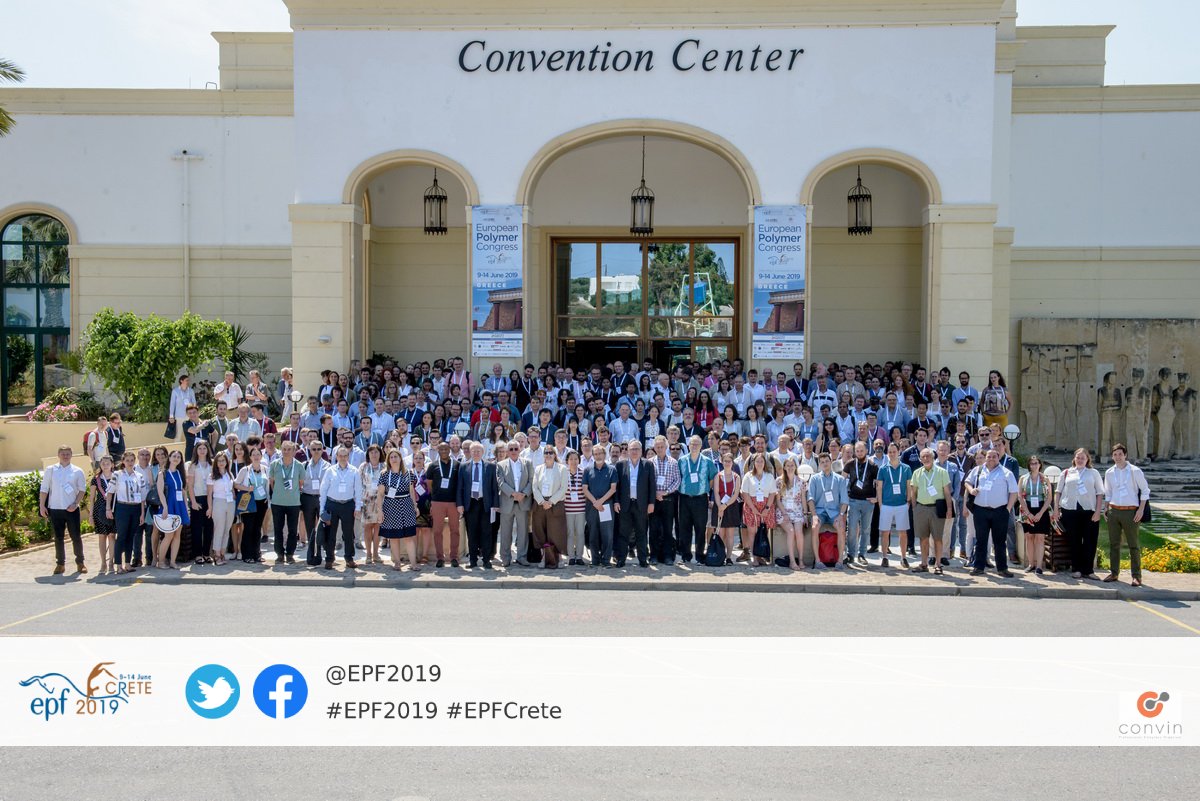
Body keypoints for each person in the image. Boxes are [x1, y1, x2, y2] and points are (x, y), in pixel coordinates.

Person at [964, 449, 1019, 578]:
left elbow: (1014, 492)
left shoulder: (1006, 473)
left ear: (998, 458)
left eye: (994, 456)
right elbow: (967, 482)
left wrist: (1008, 509)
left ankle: (1002, 568)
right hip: (980, 510)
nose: (991, 459)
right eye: (989, 457)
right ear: (986, 458)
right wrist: (971, 490)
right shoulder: (977, 470)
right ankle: (978, 567)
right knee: (981, 540)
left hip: (1000, 510)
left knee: (999, 541)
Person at [1051, 447, 1105, 580]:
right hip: (1070, 511)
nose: (1080, 460)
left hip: (1089, 511)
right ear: (1074, 459)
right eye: (1078, 457)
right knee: (1074, 541)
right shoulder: (1066, 473)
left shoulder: (1093, 473)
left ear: (1087, 459)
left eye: (1083, 458)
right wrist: (1056, 509)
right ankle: (1076, 568)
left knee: (1090, 541)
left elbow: (1099, 493)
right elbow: (1058, 492)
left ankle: (1088, 570)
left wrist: (1098, 511)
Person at [1102, 443, 1150, 587]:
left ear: (1125, 455)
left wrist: (1141, 510)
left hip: (1131, 511)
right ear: (1112, 456)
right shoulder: (1109, 472)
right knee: (1114, 544)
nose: (1118, 457)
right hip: (1114, 510)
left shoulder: (1135, 471)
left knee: (1133, 544)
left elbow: (1145, 491)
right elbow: (1108, 492)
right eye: (1115, 454)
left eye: (1120, 454)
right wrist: (1106, 508)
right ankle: (1114, 572)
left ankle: (1136, 576)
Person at [39, 445, 87, 576]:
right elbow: (44, 489)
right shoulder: (51, 470)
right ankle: (60, 564)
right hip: (55, 508)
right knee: (58, 538)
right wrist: (42, 505)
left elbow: (82, 490)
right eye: (63, 454)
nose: (65, 456)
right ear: (58, 455)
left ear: (71, 455)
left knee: (76, 537)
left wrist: (75, 503)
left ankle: (80, 563)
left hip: (71, 509)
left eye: (68, 453)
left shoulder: (77, 471)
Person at [909, 447, 953, 575]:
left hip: (937, 508)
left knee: (938, 538)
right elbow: (914, 492)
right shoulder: (917, 473)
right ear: (920, 459)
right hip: (921, 508)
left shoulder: (942, 472)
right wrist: (914, 508)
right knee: (923, 538)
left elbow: (947, 492)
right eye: (923, 456)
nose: (926, 458)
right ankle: (924, 563)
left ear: (933, 458)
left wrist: (949, 508)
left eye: (928, 456)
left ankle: (938, 565)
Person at [319, 445, 363, 570]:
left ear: (348, 456)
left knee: (348, 534)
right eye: (340, 456)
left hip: (348, 504)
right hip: (332, 504)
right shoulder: (330, 470)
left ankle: (349, 558)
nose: (343, 458)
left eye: (345, 455)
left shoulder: (354, 471)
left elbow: (358, 490)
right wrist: (322, 508)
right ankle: (329, 559)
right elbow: (323, 490)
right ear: (336, 457)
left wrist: (358, 507)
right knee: (331, 534)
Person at [455, 442, 498, 569]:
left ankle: (486, 560)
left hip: (486, 503)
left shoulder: (490, 466)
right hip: (471, 504)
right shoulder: (464, 466)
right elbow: (460, 487)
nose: (476, 453)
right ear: (469, 452)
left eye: (478, 451)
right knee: (471, 533)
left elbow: (494, 487)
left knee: (486, 532)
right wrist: (460, 504)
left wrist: (495, 504)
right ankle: (472, 560)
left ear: (483, 452)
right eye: (473, 451)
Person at [677, 434, 718, 564]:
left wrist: (704, 488)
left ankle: (700, 555)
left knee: (700, 528)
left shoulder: (707, 461)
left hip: (701, 499)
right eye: (692, 444)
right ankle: (686, 556)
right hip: (684, 499)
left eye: (697, 444)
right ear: (688, 445)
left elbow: (713, 478)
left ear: (701, 446)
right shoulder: (682, 460)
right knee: (685, 528)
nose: (694, 446)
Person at [378, 448, 420, 571]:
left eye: (396, 456)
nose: (394, 459)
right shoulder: (384, 474)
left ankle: (413, 564)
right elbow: (380, 494)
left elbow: (411, 491)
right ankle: (397, 562)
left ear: (400, 458)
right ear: (388, 459)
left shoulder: (408, 473)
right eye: (391, 457)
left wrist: (415, 506)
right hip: (390, 507)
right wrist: (380, 510)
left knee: (409, 536)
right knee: (394, 537)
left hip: (406, 505)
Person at [615, 440, 655, 568]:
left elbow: (652, 485)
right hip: (625, 504)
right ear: (627, 450)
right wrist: (616, 501)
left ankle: (643, 559)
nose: (634, 451)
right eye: (632, 449)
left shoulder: (648, 464)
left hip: (641, 504)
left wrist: (651, 503)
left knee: (641, 532)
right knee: (623, 533)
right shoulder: (620, 465)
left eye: (637, 449)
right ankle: (621, 559)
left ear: (641, 450)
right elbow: (617, 486)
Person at [108, 451, 148, 574]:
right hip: (122, 508)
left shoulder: (139, 476)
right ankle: (118, 564)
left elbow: (142, 497)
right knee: (121, 536)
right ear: (123, 461)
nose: (130, 463)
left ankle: (127, 563)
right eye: (127, 460)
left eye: (132, 460)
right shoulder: (117, 475)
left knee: (131, 536)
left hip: (135, 508)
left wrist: (142, 513)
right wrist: (108, 509)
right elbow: (110, 492)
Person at [807, 452, 849, 569]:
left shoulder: (840, 479)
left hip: (834, 513)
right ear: (819, 465)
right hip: (819, 512)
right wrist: (814, 515)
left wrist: (841, 515)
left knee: (841, 526)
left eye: (827, 461)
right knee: (815, 527)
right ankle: (818, 561)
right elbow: (810, 499)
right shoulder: (814, 479)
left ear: (831, 462)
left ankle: (840, 561)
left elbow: (845, 500)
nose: (825, 464)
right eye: (822, 462)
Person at [875, 442, 912, 569]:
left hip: (902, 504)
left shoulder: (906, 468)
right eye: (889, 452)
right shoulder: (883, 469)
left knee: (903, 532)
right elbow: (879, 488)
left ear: (898, 452)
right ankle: (885, 557)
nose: (891, 454)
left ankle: (903, 557)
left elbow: (909, 485)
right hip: (887, 504)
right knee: (885, 532)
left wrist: (908, 501)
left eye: (894, 452)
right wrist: (880, 504)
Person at [496, 440, 533, 567]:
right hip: (507, 502)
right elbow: (500, 482)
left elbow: (531, 480)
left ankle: (522, 557)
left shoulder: (527, 463)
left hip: (523, 502)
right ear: (507, 451)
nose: (513, 452)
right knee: (505, 533)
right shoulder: (501, 465)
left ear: (520, 450)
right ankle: (505, 558)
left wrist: (524, 493)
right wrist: (513, 493)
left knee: (523, 532)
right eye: (510, 449)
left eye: (515, 449)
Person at [532, 445, 569, 567]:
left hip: (556, 504)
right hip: (540, 504)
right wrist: (542, 501)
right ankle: (544, 558)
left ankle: (558, 558)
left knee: (556, 532)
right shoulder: (538, 469)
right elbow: (534, 487)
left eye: (550, 453)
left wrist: (551, 501)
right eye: (546, 453)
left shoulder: (562, 469)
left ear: (555, 455)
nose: (548, 455)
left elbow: (563, 488)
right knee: (541, 532)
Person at [268, 440, 304, 565]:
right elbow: (271, 482)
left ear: (294, 451)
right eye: (284, 449)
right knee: (278, 529)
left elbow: (301, 483)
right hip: (277, 502)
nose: (286, 452)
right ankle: (279, 554)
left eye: (289, 449)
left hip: (294, 503)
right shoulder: (274, 464)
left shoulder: (299, 465)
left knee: (292, 530)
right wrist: (278, 492)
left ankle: (290, 554)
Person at [582, 444, 618, 567]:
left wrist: (600, 501)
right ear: (593, 455)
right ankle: (595, 560)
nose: (598, 456)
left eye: (600, 453)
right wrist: (595, 502)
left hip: (606, 506)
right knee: (593, 533)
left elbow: (613, 489)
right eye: (595, 454)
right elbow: (585, 489)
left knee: (607, 534)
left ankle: (606, 560)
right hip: (592, 506)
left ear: (604, 454)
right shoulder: (587, 470)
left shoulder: (612, 469)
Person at [427, 441, 461, 568]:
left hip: (453, 502)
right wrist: (435, 495)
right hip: (438, 502)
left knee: (455, 531)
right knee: (437, 531)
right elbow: (429, 483)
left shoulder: (457, 465)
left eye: (446, 449)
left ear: (450, 450)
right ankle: (440, 558)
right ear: (438, 451)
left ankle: (454, 557)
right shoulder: (433, 466)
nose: (444, 452)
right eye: (441, 449)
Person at [233, 446, 270, 564]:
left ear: (261, 456)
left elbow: (267, 485)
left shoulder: (265, 469)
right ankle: (247, 555)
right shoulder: (245, 470)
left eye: (258, 454)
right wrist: (246, 488)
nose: (256, 457)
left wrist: (268, 499)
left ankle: (257, 554)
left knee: (257, 529)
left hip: (261, 502)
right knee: (248, 528)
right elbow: (236, 484)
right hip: (249, 502)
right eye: (253, 454)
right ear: (250, 457)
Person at [1018, 454, 1053, 575]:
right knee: (1029, 537)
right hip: (1026, 509)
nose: (1034, 465)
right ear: (1029, 465)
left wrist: (1040, 513)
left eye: (1036, 463)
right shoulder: (1023, 478)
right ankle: (1031, 564)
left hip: (1041, 509)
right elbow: (1019, 496)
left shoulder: (1045, 479)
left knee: (1040, 538)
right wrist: (1027, 512)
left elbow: (1049, 498)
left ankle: (1039, 566)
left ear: (1040, 465)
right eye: (1032, 463)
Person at [155, 450, 190, 569]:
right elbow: (160, 492)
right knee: (168, 535)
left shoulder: (181, 474)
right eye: (174, 456)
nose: (176, 458)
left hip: (179, 506)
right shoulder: (162, 474)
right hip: (169, 506)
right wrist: (165, 507)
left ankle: (173, 561)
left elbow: (184, 492)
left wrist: (186, 508)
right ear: (169, 458)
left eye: (179, 457)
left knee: (177, 535)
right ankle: (161, 561)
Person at [844, 441, 877, 566]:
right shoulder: (850, 464)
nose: (859, 453)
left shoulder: (873, 465)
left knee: (865, 529)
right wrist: (844, 496)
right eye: (857, 451)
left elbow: (878, 484)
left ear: (867, 451)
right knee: (852, 528)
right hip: (853, 501)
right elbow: (843, 479)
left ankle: (862, 554)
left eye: (861, 451)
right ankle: (850, 554)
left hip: (868, 502)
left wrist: (877, 498)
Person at [649, 436, 680, 565]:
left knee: (668, 528)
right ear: (654, 448)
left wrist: (665, 492)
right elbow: (647, 481)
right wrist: (655, 493)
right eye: (658, 447)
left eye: (662, 446)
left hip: (668, 499)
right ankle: (654, 556)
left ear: (666, 447)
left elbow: (677, 480)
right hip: (654, 499)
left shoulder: (673, 462)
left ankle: (667, 556)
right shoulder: (649, 462)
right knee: (654, 528)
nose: (660, 449)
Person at [299, 442, 331, 566]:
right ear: (309, 450)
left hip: (322, 498)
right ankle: (311, 555)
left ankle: (326, 554)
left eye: (319, 449)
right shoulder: (304, 465)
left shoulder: (328, 466)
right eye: (314, 449)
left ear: (322, 450)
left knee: (325, 526)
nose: (316, 451)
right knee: (310, 527)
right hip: (308, 498)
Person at [357, 444, 385, 564]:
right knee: (368, 527)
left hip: (381, 500)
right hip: (366, 500)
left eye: (376, 452)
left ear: (380, 454)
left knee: (378, 527)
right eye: (371, 452)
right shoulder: (363, 466)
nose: (374, 454)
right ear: (368, 454)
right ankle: (368, 554)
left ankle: (376, 554)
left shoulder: (384, 467)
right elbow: (358, 484)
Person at [563, 449, 588, 566]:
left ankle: (579, 556)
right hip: (567, 509)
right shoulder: (563, 473)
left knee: (580, 533)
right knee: (569, 533)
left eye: (575, 459)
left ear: (579, 460)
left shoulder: (583, 473)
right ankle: (571, 557)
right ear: (567, 461)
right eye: (571, 459)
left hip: (581, 509)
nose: (573, 461)